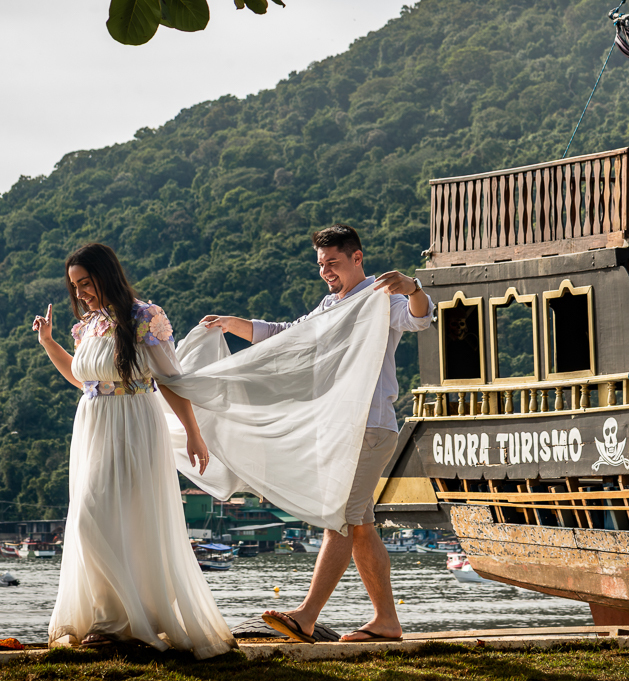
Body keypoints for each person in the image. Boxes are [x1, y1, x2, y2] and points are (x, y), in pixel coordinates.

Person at [200, 224, 432, 644]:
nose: (326, 271)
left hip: (371, 426)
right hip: (340, 428)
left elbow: (420, 317)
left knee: (338, 521)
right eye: (321, 264)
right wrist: (236, 324)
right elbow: (291, 334)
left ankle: (306, 616)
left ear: (357, 258)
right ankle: (386, 622)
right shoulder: (330, 304)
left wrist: (413, 286)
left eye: (334, 262)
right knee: (359, 525)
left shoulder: (382, 296)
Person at [31, 243, 235, 657]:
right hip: (92, 425)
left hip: (133, 423)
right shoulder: (88, 324)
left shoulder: (145, 316)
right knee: (96, 518)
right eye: (75, 286)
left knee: (102, 519)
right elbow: (81, 377)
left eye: (86, 283)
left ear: (107, 275)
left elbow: (170, 380)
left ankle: (117, 622)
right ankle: (114, 619)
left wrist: (194, 433)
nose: (81, 292)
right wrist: (48, 342)